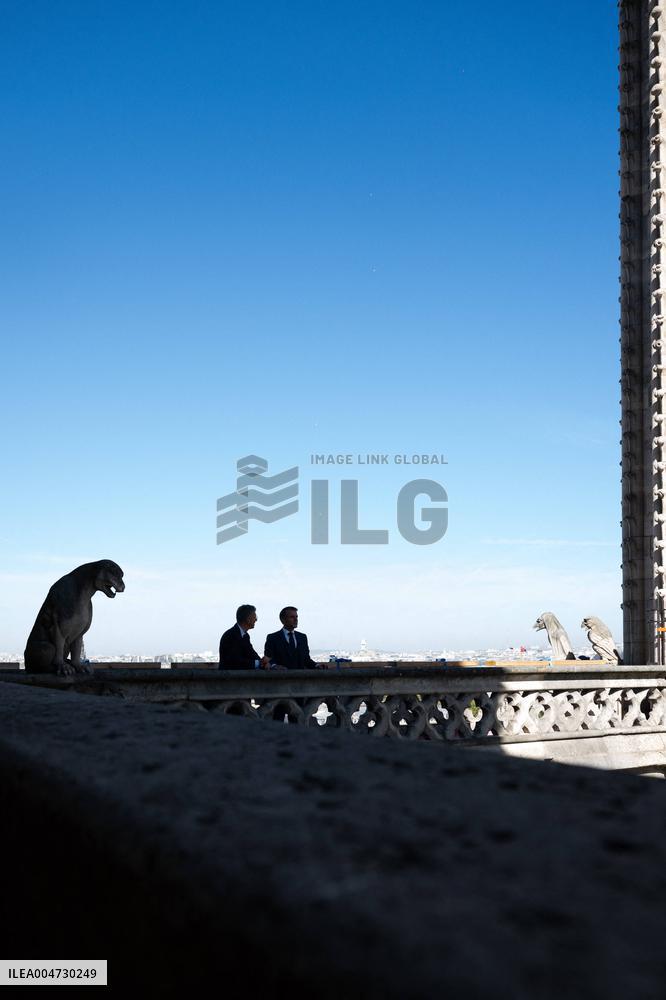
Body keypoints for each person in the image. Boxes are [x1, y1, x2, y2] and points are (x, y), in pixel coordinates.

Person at [219, 604, 271, 670]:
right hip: (229, 678)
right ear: (248, 619)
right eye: (254, 617)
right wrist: (260, 662)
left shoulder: (244, 635)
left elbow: (252, 654)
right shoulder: (230, 635)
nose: (256, 620)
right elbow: (234, 660)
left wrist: (263, 662)